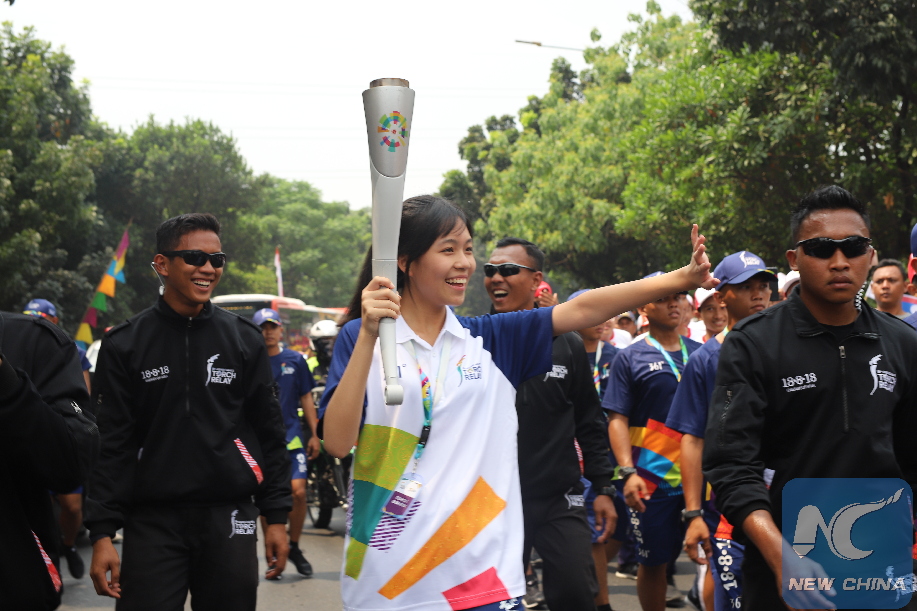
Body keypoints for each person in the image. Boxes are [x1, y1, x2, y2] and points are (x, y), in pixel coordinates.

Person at [319, 195, 716, 611]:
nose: (465, 263)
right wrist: (370, 334)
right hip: (386, 575)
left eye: (468, 249)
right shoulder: (361, 339)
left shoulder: (491, 340)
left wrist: (682, 277)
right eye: (448, 250)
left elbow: (582, 309)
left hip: (479, 572)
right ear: (405, 261)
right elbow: (337, 442)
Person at [703, 186, 917, 610]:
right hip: (787, 566)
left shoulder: (903, 343)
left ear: (871, 255)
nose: (839, 262)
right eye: (821, 249)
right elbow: (730, 466)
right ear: (794, 259)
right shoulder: (753, 343)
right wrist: (779, 554)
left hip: (883, 569)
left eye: (853, 247)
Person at [85, 213, 291, 610]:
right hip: (152, 521)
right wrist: (101, 532)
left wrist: (277, 517)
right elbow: (111, 443)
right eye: (195, 257)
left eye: (217, 259)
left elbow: (270, 432)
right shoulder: (124, 344)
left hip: (230, 513)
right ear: (162, 264)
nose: (208, 268)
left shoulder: (245, 340)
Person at [483, 241, 616, 611]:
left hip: (559, 497)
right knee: (495, 601)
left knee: (576, 594)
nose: (496, 278)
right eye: (490, 271)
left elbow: (589, 419)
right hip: (492, 499)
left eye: (508, 270)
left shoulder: (568, 344)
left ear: (535, 279)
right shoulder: (474, 339)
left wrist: (603, 487)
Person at [665, 251, 777, 611]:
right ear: (722, 296)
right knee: (736, 596)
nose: (758, 294)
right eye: (745, 287)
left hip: (790, 498)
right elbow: (693, 439)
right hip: (728, 504)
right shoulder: (705, 361)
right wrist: (693, 514)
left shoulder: (793, 349)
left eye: (763, 285)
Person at [603, 274, 703, 611]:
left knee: (715, 554)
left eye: (678, 296)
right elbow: (617, 418)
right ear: (643, 308)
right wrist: (627, 471)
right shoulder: (630, 357)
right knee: (654, 562)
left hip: (701, 476)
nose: (673, 303)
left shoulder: (702, 353)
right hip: (652, 479)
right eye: (662, 298)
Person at [0, 309, 99, 610]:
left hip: (16, 586)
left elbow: (73, 461)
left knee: (71, 504)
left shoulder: (38, 340)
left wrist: (6, 380)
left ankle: (69, 545)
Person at [22, 298, 93, 581]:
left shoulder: (71, 351)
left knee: (72, 506)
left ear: (54, 321)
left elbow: (82, 398)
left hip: (62, 437)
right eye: (31, 317)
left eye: (41, 317)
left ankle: (69, 544)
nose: (35, 322)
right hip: (29, 437)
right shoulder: (17, 348)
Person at [252, 307, 320, 577]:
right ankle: (272, 551)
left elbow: (306, 398)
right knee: (267, 498)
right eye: (262, 328)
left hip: (292, 438)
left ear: (281, 329)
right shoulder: (250, 360)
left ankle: (293, 546)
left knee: (298, 492)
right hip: (261, 443)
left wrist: (315, 434)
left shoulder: (296, 360)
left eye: (272, 327)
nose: (267, 332)